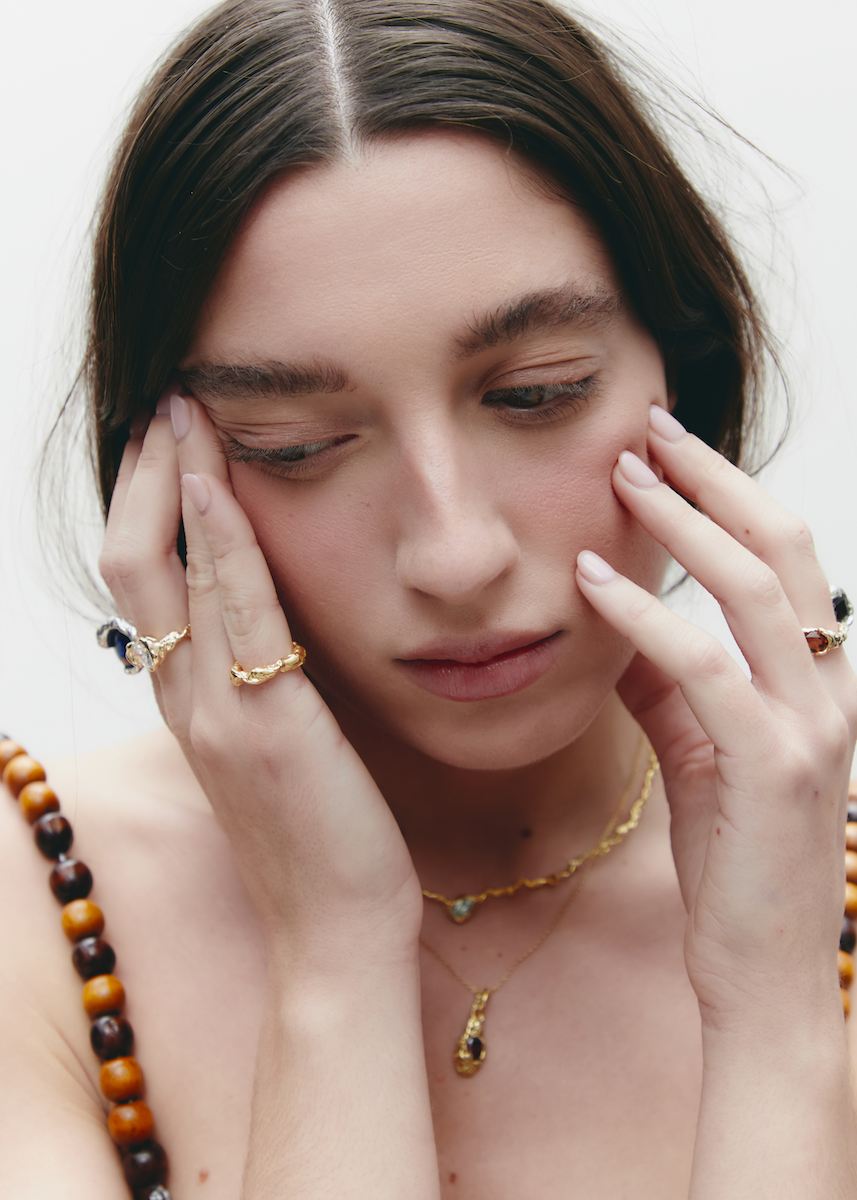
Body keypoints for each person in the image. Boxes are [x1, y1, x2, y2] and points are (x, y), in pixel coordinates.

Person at [1, 1, 855, 1197]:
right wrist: (332, 955)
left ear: (685, 375)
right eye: (295, 444)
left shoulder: (820, 903)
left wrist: (777, 1019)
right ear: (159, 486)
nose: (454, 555)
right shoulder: (30, 906)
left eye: (536, 393)